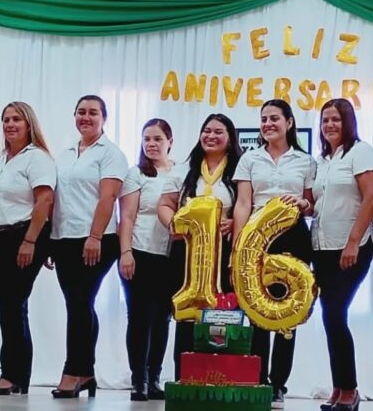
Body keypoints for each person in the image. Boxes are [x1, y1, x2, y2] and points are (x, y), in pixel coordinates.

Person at [232, 99, 316, 409]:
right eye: (264, 119)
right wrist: (238, 247)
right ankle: (258, 381)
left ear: (289, 122)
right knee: (256, 310)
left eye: (274, 118)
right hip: (257, 240)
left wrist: (304, 204)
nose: (268, 124)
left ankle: (278, 383)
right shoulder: (250, 158)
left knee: (287, 314)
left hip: (293, 237)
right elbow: (243, 203)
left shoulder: (305, 161)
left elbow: (312, 204)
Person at [50, 95, 128, 399]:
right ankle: (86, 372)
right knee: (79, 304)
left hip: (97, 239)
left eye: (93, 112)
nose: (86, 117)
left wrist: (94, 236)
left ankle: (73, 372)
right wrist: (50, 239)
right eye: (81, 112)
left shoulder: (111, 153)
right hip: (64, 238)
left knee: (79, 302)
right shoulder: (65, 153)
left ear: (103, 118)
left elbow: (108, 197)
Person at [157, 113, 242, 384]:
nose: (211, 136)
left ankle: (221, 378)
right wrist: (174, 224)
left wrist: (235, 223)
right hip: (187, 254)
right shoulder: (184, 169)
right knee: (187, 315)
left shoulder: (240, 169)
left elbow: (246, 205)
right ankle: (185, 378)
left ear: (230, 139)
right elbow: (165, 204)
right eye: (207, 131)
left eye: (218, 132)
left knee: (222, 314)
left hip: (223, 254)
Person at [0, 102, 55, 396]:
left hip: (22, 236)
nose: (10, 124)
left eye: (16, 119)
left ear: (29, 124)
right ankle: (17, 375)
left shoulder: (36, 158)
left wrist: (30, 241)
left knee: (12, 306)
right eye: (6, 119)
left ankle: (11, 374)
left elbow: (45, 200)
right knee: (9, 307)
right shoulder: (2, 158)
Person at [311, 99, 373, 411]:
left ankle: (350, 390)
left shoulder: (360, 152)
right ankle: (339, 386)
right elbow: (319, 203)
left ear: (349, 122)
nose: (329, 125)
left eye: (336, 119)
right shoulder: (323, 160)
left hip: (353, 247)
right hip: (322, 248)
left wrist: (353, 242)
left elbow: (372, 198)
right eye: (325, 120)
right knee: (329, 316)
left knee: (336, 312)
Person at [119, 118, 175, 401]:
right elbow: (127, 217)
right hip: (140, 251)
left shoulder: (181, 172)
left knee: (162, 318)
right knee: (139, 318)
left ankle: (154, 378)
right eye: (146, 139)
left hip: (169, 256)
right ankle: (138, 379)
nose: (151, 144)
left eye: (157, 139)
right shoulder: (137, 173)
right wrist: (125, 252)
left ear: (169, 142)